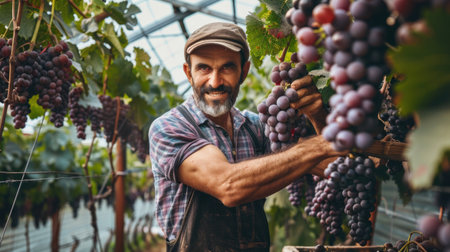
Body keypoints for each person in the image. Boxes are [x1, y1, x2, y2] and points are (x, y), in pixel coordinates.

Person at [148, 22, 344, 251]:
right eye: (204, 68)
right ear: (188, 73)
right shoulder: (169, 128)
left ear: (244, 71)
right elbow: (228, 185)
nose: (215, 81)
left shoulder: (255, 127)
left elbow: (333, 166)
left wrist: (317, 116)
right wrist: (318, 145)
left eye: (227, 68)